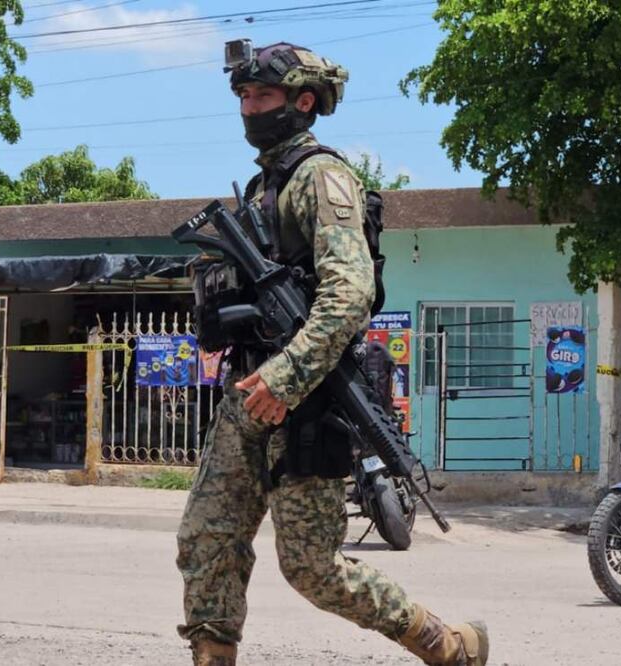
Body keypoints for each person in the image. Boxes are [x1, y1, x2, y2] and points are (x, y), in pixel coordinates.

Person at [175, 40, 489, 666]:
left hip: (305, 402)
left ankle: (444, 644)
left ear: (303, 101)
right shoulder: (267, 184)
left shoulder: (323, 176)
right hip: (247, 396)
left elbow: (349, 296)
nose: (249, 108)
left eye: (261, 96)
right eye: (242, 97)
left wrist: (285, 379)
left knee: (313, 570)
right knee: (206, 539)